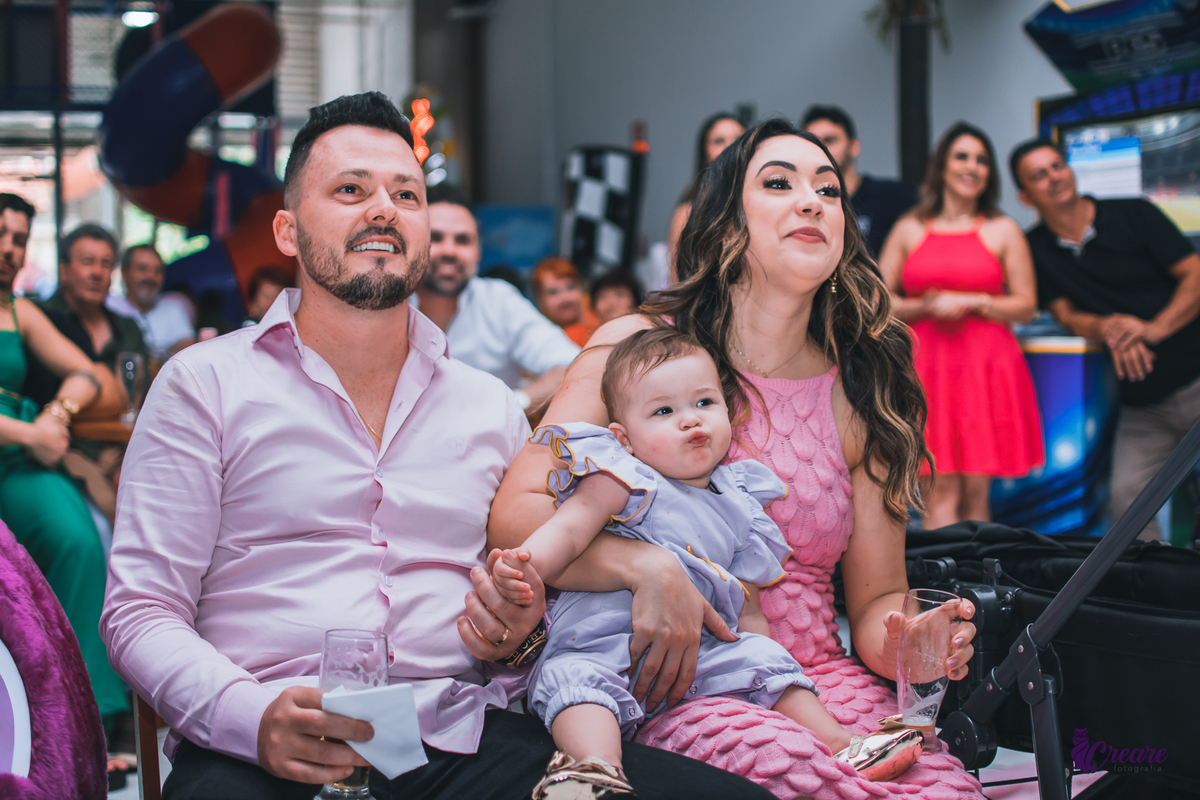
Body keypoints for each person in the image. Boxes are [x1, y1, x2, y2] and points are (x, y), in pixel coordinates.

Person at [100, 92, 776, 800]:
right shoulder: (205, 384)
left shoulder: (487, 406)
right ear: (287, 231)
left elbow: (529, 610)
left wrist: (518, 634)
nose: (383, 210)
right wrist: (249, 716)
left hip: (457, 737)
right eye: (351, 190)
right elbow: (140, 611)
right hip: (268, 741)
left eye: (406, 195)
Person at [487, 119, 983, 799]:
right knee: (812, 784)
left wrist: (910, 639)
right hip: (664, 680)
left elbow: (873, 602)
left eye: (829, 190)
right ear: (725, 227)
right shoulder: (639, 352)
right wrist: (646, 567)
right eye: (779, 183)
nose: (811, 201)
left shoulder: (864, 387)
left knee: (943, 791)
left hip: (807, 679)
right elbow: (516, 518)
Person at [490, 328, 923, 795]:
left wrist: (761, 660)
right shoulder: (622, 477)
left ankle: (841, 743)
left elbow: (746, 601)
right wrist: (527, 564)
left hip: (697, 654)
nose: (690, 420)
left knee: (766, 659)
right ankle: (593, 770)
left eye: (704, 403)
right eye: (664, 411)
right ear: (623, 437)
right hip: (602, 641)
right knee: (575, 683)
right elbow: (569, 530)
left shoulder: (740, 499)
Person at [1010, 138, 1200, 541]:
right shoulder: (1034, 248)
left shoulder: (1133, 213)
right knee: (1127, 505)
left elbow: (1195, 274)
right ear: (1025, 197)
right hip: (1145, 408)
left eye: (1057, 166)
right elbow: (1066, 315)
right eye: (1039, 175)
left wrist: (1153, 329)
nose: (1053, 177)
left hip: (1195, 380)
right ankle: (1159, 581)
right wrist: (1112, 328)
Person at [0, 193, 127, 724]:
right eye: (1, 234)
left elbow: (89, 375)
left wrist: (58, 411)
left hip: (18, 457)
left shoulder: (19, 310)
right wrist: (30, 434)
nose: (9, 249)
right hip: (18, 442)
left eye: (19, 239)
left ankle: (87, 712)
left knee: (79, 539)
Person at [878, 122, 1043, 528]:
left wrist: (974, 301)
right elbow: (878, 301)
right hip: (926, 371)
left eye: (982, 160)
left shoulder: (1003, 229)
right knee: (938, 490)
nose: (972, 167)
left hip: (985, 371)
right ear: (942, 166)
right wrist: (925, 305)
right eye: (962, 157)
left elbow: (1026, 306)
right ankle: (942, 572)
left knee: (976, 495)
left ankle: (974, 573)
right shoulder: (909, 227)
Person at [413, 185, 580, 413]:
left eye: (463, 240)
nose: (450, 251)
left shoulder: (498, 301)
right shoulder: (387, 303)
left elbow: (574, 365)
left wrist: (512, 405)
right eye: (435, 237)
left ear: (478, 251)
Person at [803, 105, 917, 259]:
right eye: (813, 143)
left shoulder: (892, 196)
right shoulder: (803, 204)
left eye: (830, 140)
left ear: (854, 147)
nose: (822, 149)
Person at [667, 113, 746, 273]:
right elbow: (677, 280)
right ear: (704, 154)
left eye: (738, 139)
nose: (730, 147)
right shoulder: (688, 212)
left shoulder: (763, 203)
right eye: (719, 141)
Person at [106, 243, 196, 361]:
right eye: (142, 269)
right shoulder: (109, 306)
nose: (151, 276)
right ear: (125, 273)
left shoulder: (174, 307)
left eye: (157, 271)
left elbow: (188, 349)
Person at [532, 256, 598, 347]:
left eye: (570, 287)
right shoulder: (537, 338)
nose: (565, 298)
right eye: (553, 292)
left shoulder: (602, 323)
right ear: (540, 299)